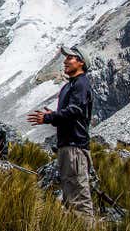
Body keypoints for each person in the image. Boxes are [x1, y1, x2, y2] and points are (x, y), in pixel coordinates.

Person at [27, 44, 94, 218]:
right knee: (70, 199)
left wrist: (49, 118)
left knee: (79, 200)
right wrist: (53, 117)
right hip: (68, 148)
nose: (65, 61)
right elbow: (70, 115)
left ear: (80, 62)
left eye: (69, 58)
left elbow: (75, 110)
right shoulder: (70, 85)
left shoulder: (81, 83)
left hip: (74, 148)